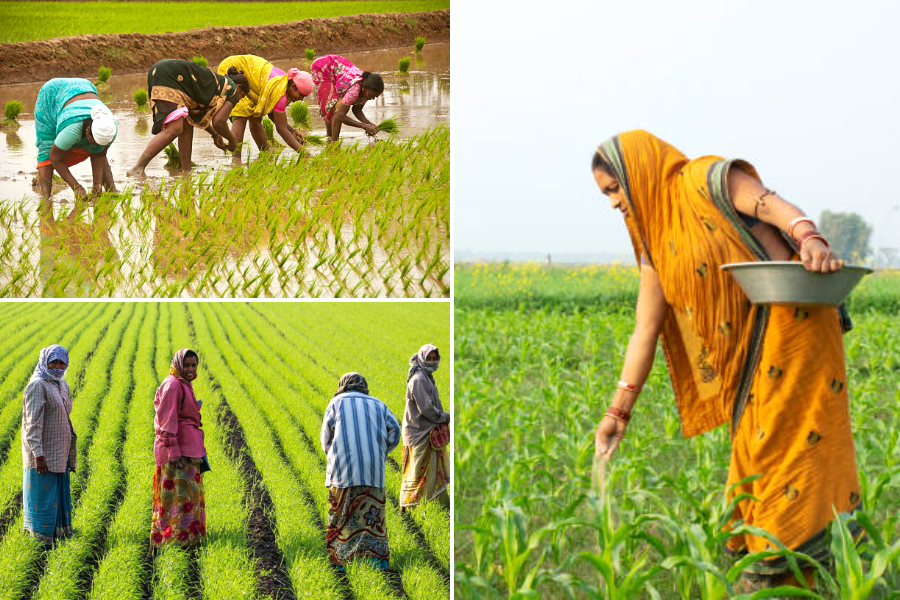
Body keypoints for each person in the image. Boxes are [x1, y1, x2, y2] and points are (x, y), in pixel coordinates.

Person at [591, 130, 858, 592]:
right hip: (748, 365)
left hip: (796, 327)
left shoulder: (706, 181)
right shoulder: (654, 245)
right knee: (756, 460)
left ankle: (780, 574)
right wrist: (618, 411)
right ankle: (794, 574)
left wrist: (809, 237)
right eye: (606, 195)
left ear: (639, 171)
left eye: (615, 189)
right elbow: (644, 332)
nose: (614, 203)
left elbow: (773, 206)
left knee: (793, 454)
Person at [320, 373, 400, 572]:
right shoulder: (378, 404)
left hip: (343, 470)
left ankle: (340, 562)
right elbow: (395, 431)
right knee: (371, 517)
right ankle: (376, 561)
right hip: (372, 471)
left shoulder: (336, 403)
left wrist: (333, 452)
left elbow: (325, 439)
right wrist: (380, 451)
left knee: (342, 515)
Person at [127, 60, 249, 176]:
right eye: (241, 96)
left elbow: (196, 118)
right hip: (171, 76)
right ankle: (138, 168)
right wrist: (233, 141)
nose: (238, 101)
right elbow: (219, 122)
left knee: (186, 125)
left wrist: (215, 135)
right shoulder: (232, 89)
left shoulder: (217, 86)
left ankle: (186, 171)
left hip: (162, 71)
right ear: (239, 87)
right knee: (175, 128)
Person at [150, 349, 207, 548]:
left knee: (188, 497)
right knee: (173, 498)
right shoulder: (173, 386)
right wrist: (173, 451)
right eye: (187, 365)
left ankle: (186, 539)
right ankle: (170, 540)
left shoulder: (184, 383)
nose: (191, 369)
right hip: (177, 453)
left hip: (188, 449)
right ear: (178, 364)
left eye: (193, 365)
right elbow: (166, 421)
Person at [21, 345, 77, 545]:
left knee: (57, 497)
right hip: (42, 455)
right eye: (53, 362)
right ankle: (39, 544)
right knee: (42, 500)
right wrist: (39, 455)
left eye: (62, 363)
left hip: (59, 452)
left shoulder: (62, 385)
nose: (58, 367)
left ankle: (57, 540)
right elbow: (32, 424)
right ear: (45, 362)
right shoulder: (37, 385)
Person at [34, 78, 118, 200]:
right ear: (88, 131)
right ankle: (46, 200)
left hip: (85, 86)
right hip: (52, 94)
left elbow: (99, 154)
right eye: (93, 141)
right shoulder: (71, 130)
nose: (95, 145)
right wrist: (76, 186)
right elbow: (55, 158)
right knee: (46, 148)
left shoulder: (110, 127)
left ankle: (111, 190)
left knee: (97, 149)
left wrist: (97, 184)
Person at [216, 54, 313, 152]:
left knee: (255, 117)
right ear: (292, 87)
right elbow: (281, 129)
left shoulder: (284, 85)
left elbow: (274, 116)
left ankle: (265, 153)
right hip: (235, 67)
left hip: (252, 76)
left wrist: (292, 131)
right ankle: (236, 161)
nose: (301, 99)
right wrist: (305, 154)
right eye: (301, 95)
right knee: (241, 115)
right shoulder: (280, 93)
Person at [400, 344, 450, 511]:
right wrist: (444, 417)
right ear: (421, 358)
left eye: (435, 358)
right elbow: (427, 409)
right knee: (417, 472)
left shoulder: (426, 376)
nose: (432, 361)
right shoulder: (420, 379)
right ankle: (408, 506)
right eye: (428, 358)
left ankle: (440, 505)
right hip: (420, 433)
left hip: (425, 431)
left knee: (430, 472)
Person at [310, 54, 384, 142]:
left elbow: (357, 110)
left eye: (375, 97)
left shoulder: (366, 91)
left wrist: (369, 124)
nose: (372, 99)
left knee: (335, 108)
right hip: (323, 67)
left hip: (338, 69)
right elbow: (340, 116)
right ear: (364, 87)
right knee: (331, 107)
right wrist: (364, 126)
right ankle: (333, 141)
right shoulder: (354, 90)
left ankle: (331, 139)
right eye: (371, 95)